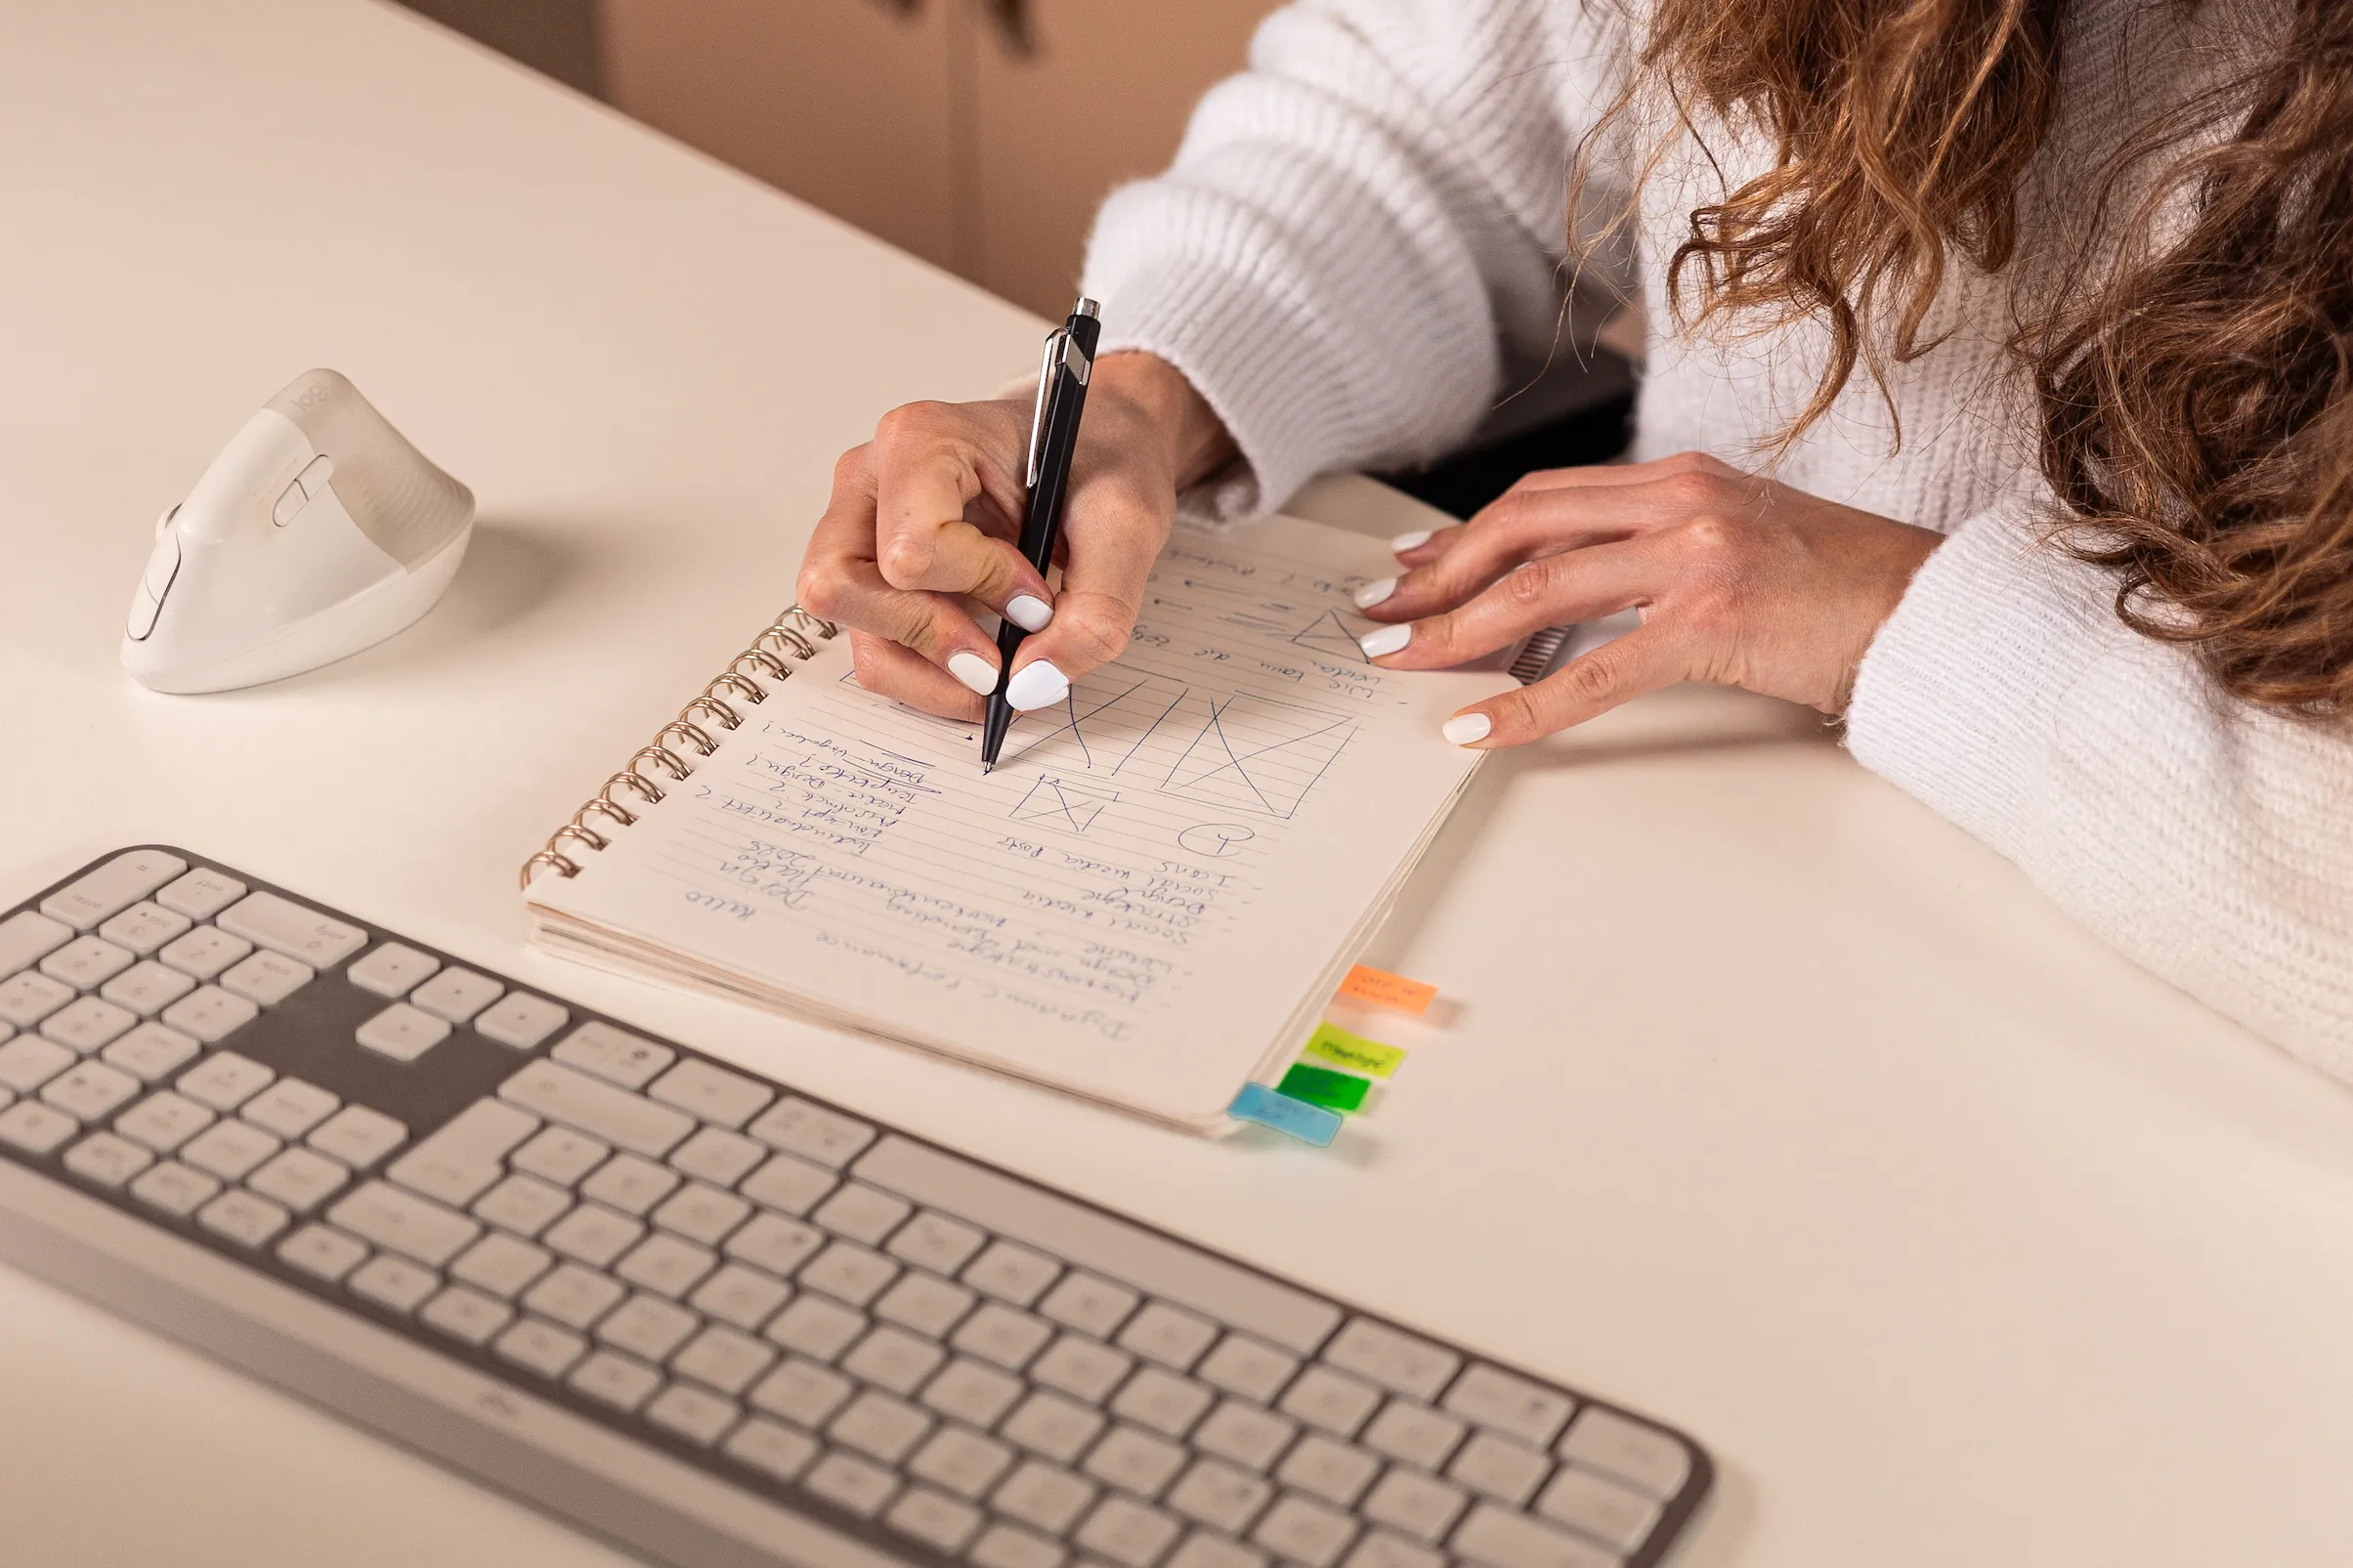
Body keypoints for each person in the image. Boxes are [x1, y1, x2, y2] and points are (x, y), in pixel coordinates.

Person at [795, 0, 2352, 1071]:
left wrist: (1897, 619)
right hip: (1650, 874)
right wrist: (1154, 389)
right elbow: (1431, 121)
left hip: (2175, 1049)